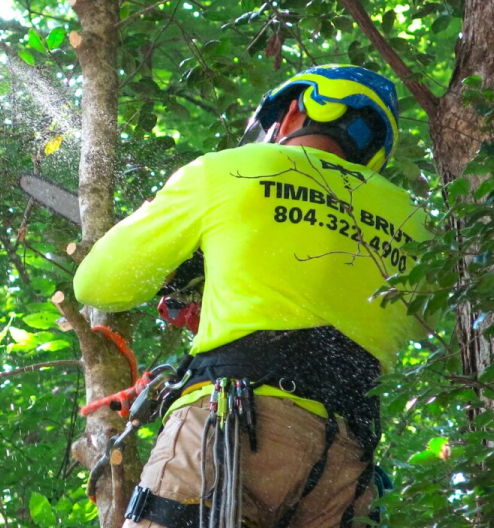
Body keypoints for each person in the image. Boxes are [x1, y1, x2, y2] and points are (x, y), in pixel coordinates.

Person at [73, 65, 430, 528]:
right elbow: (410, 323)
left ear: (296, 110)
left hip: (232, 425)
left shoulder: (231, 169)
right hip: (344, 463)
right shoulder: (414, 222)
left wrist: (184, 262)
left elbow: (98, 284)